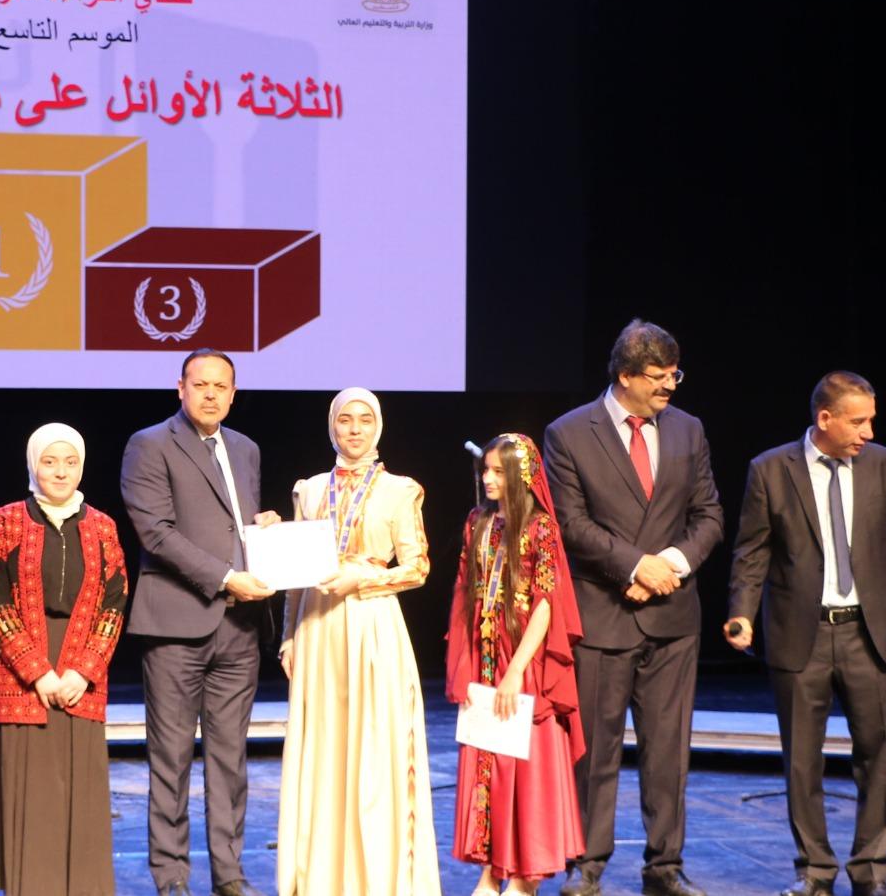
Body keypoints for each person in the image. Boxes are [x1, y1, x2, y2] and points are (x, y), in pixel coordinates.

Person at [725, 371, 886, 896]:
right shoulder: (771, 469)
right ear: (825, 419)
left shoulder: (884, 465)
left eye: (871, 421)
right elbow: (752, 552)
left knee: (877, 753)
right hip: (801, 635)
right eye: (858, 422)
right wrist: (742, 612)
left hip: (869, 634)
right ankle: (814, 870)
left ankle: (870, 870)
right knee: (802, 760)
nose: (868, 432)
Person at [542, 319, 723, 896]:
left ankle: (664, 866)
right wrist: (634, 566)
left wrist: (667, 564)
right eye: (658, 376)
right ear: (625, 376)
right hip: (603, 615)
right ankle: (586, 865)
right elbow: (570, 524)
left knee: (668, 753)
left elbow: (708, 515)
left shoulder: (688, 429)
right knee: (594, 752)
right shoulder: (570, 433)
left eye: (675, 374)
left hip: (672, 617)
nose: (670, 385)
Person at [120, 348, 281, 896]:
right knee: (170, 759)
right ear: (180, 388)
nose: (210, 394)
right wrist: (226, 577)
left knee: (230, 760)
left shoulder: (246, 448)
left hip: (239, 629)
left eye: (221, 386)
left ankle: (229, 874)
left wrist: (263, 530)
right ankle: (171, 877)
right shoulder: (150, 444)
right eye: (200, 384)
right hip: (175, 625)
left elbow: (233, 527)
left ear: (233, 394)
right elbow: (157, 533)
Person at [277, 387, 439, 895]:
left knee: (372, 746)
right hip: (318, 628)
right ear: (332, 426)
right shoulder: (309, 490)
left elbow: (418, 567)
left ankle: (375, 877)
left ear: (378, 427)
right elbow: (296, 573)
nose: (354, 429)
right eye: (345, 419)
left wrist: (363, 580)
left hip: (371, 625)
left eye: (364, 420)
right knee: (323, 748)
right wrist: (288, 636)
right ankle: (321, 877)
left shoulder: (399, 490)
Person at [0, 423, 129, 896]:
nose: (60, 472)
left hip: (80, 672)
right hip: (22, 675)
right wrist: (37, 672)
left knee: (79, 790)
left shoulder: (102, 526)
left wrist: (83, 670)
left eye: (70, 462)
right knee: (32, 793)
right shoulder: (7, 520)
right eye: (50, 461)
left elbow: (114, 601)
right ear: (33, 465)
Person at [447, 433, 587, 895]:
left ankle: (526, 876)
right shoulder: (478, 523)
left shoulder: (540, 528)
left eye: (498, 471)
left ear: (521, 475)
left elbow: (546, 605)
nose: (488, 479)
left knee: (524, 766)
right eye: (485, 470)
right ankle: (493, 869)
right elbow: (465, 592)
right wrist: (467, 665)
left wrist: (513, 673)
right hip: (486, 657)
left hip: (524, 662)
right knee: (489, 761)